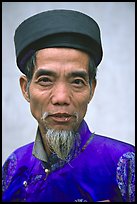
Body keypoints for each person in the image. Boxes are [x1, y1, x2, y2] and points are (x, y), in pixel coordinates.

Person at [2, 9, 135, 202]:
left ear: (92, 88)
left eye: (77, 81)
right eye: (46, 80)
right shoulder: (14, 166)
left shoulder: (124, 164)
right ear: (25, 88)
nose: (62, 97)